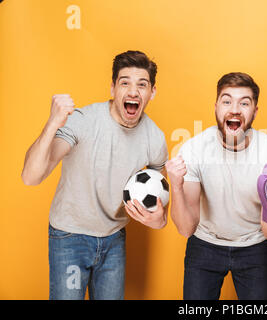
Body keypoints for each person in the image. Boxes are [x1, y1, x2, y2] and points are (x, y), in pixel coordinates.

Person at [21, 50, 169, 300]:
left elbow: (161, 198)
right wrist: (52, 123)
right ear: (113, 88)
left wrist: (159, 219)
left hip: (113, 239)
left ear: (152, 92)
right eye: (125, 83)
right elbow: (30, 177)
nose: (133, 92)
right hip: (69, 237)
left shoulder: (154, 137)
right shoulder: (83, 121)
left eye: (141, 85)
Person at [166, 72, 267, 300]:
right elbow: (185, 229)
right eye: (227, 101)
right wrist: (177, 186)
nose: (234, 109)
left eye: (244, 103)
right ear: (216, 107)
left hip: (255, 247)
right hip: (204, 245)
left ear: (255, 111)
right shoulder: (194, 149)